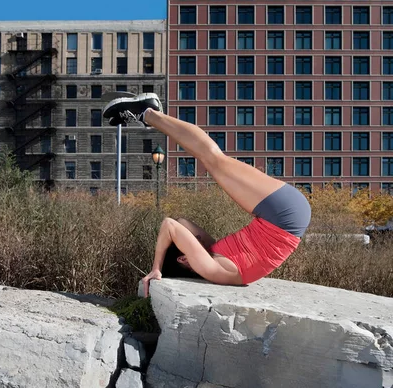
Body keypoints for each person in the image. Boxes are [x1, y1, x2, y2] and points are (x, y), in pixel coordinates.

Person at [103, 93, 311, 297]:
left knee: (212, 159)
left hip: (285, 215)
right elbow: (170, 225)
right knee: (212, 157)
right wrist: (157, 267)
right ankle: (148, 113)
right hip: (282, 216)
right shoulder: (214, 271)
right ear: (184, 260)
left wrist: (185, 247)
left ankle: (150, 114)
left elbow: (182, 223)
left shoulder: (217, 255)